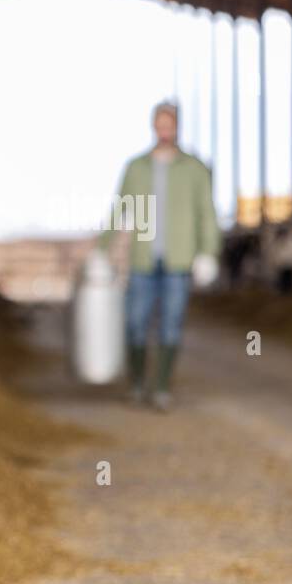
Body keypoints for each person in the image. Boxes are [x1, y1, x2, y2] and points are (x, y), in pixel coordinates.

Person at [99, 101, 220, 410]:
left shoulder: (194, 169)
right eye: (160, 125)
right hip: (143, 258)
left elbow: (206, 212)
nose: (165, 131)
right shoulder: (136, 168)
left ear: (178, 127)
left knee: (171, 323)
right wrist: (102, 248)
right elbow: (120, 210)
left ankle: (162, 387)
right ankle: (137, 383)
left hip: (178, 259)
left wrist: (208, 252)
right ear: (153, 126)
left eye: (170, 125)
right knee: (135, 322)